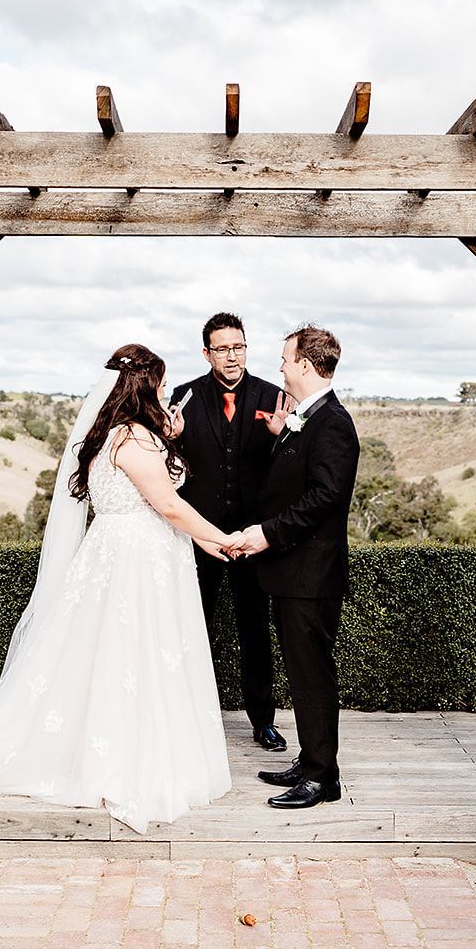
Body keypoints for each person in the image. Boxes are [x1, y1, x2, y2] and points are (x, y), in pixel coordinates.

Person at [0, 344, 238, 833]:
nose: (167, 392)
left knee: (122, 656)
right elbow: (167, 504)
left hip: (128, 550)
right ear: (144, 388)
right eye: (162, 384)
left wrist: (174, 454)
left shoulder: (121, 436)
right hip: (136, 558)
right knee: (131, 654)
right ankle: (119, 763)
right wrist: (220, 536)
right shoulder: (135, 440)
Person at [235, 325, 361, 811]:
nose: (281, 367)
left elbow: (325, 498)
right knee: (302, 672)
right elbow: (294, 480)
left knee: (312, 676)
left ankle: (322, 777)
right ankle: (310, 761)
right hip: (292, 574)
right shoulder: (305, 418)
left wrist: (267, 533)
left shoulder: (332, 423)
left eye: (286, 360)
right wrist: (279, 436)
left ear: (306, 366)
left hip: (311, 575)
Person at [171, 312, 288, 752]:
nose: (232, 355)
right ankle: (187, 720)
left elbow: (289, 466)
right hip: (199, 538)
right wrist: (173, 439)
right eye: (222, 348)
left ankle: (264, 723)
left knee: (255, 632)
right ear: (207, 353)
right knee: (190, 628)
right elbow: (169, 470)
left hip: (252, 538)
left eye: (238, 346)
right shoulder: (182, 398)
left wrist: (281, 437)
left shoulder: (273, 397)